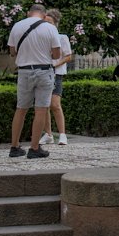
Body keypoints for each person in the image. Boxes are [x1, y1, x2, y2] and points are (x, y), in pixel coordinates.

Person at [7, 1, 63, 159]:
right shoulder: (50, 28)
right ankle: (34, 148)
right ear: (44, 15)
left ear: (28, 13)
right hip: (44, 71)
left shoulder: (17, 26)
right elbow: (57, 55)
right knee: (41, 110)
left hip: (24, 71)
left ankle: (14, 147)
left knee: (21, 109)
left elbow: (12, 51)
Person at [38, 8, 72, 147]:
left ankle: (62, 134)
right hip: (43, 72)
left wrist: (55, 64)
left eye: (50, 22)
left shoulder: (62, 38)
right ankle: (48, 134)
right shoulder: (41, 38)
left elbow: (68, 56)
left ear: (55, 24)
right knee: (44, 105)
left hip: (56, 73)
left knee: (55, 104)